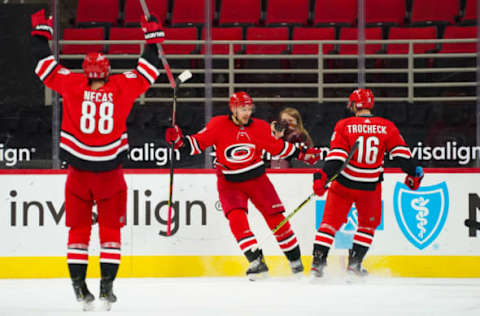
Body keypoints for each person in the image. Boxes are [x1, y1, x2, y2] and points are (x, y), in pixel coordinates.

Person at [30, 10, 165, 310]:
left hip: (78, 174)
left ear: (84, 70)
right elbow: (149, 68)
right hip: (110, 176)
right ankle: (107, 288)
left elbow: (41, 63)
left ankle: (80, 288)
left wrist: (42, 31)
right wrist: (152, 36)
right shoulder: (122, 86)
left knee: (78, 232)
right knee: (110, 233)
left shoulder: (71, 83)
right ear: (106, 71)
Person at [165, 91, 321, 280]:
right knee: (237, 219)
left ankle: (296, 263)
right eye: (242, 109)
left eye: (248, 108)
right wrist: (179, 141)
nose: (247, 113)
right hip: (229, 183)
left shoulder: (260, 127)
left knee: (277, 220)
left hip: (257, 180)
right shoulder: (218, 125)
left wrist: (303, 154)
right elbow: (196, 144)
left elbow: (278, 148)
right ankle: (256, 261)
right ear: (233, 109)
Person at [310, 88, 424, 279]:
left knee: (328, 224)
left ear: (354, 105)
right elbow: (402, 156)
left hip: (343, 184)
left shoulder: (344, 124)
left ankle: (317, 265)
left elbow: (337, 157)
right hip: (370, 187)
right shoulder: (386, 126)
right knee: (367, 226)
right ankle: (354, 265)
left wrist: (323, 175)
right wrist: (414, 173)